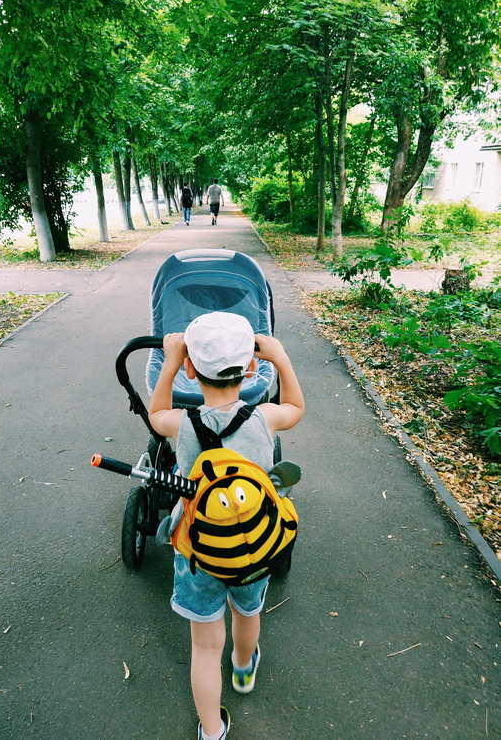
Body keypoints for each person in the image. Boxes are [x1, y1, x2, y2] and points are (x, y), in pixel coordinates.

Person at [148, 311, 304, 740]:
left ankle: (212, 730)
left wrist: (170, 361)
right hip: (254, 546)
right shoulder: (263, 419)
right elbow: (295, 407)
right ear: (251, 368)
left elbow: (156, 412)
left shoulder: (183, 425)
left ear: (190, 369)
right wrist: (281, 357)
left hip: (198, 551)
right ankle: (242, 666)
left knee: (204, 645)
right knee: (247, 612)